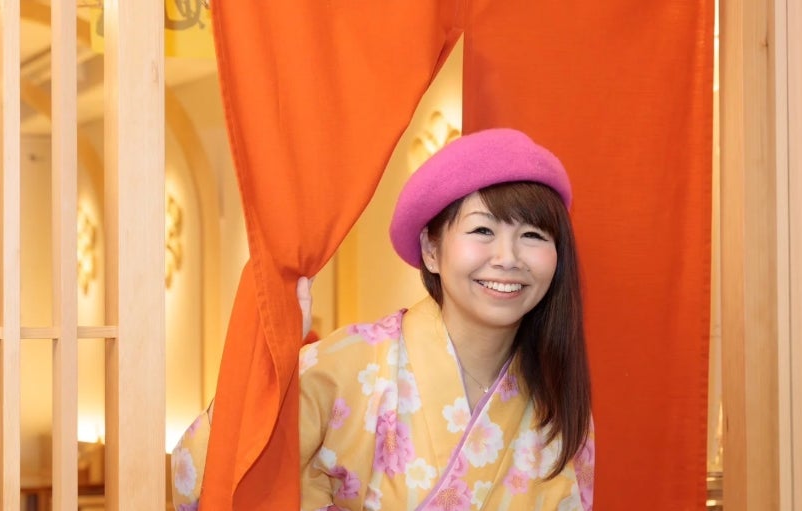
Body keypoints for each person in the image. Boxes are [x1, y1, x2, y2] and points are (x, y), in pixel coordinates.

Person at [171, 128, 595, 510]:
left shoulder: (556, 395)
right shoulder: (351, 365)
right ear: (431, 250)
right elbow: (206, 480)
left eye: (533, 235)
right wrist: (267, 369)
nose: (508, 258)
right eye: (483, 231)